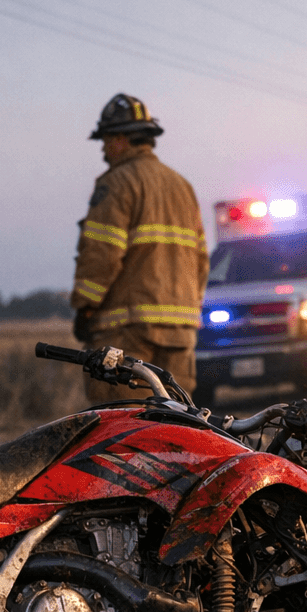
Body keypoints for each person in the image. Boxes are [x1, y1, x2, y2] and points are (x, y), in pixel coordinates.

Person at [71, 93, 209, 402]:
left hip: (126, 331)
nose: (104, 149)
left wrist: (86, 308)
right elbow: (200, 260)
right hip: (180, 332)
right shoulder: (181, 186)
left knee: (123, 430)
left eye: (106, 139)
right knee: (175, 429)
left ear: (121, 138)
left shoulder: (117, 183)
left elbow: (101, 254)